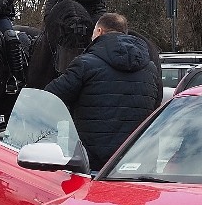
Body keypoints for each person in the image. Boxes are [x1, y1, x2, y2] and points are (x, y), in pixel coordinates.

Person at [44, 12, 160, 171]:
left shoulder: (84, 64)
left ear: (99, 31)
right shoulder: (150, 68)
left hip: (93, 166)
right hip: (137, 165)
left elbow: (49, 98)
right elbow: (157, 108)